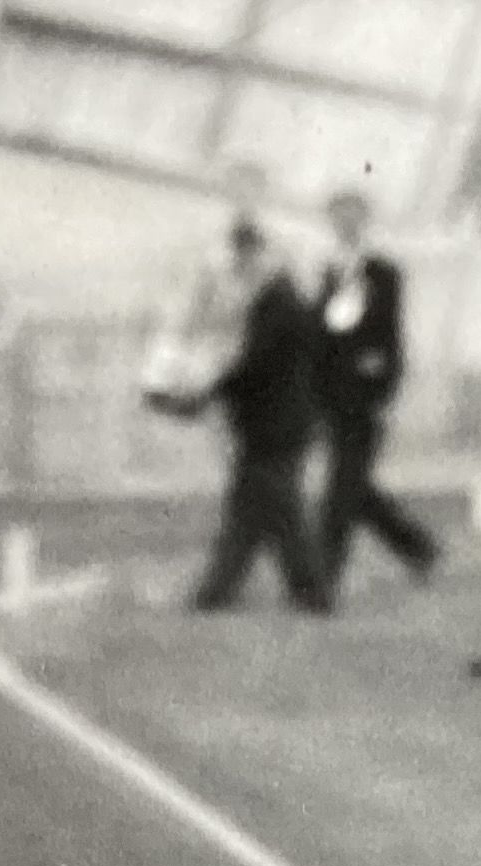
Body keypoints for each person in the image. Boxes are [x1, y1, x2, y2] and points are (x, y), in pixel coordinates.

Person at [184, 218, 332, 615]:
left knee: (277, 514)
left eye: (248, 255)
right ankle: (217, 593)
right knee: (249, 514)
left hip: (277, 429)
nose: (241, 264)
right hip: (272, 428)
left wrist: (208, 392)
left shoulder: (279, 305)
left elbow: (256, 367)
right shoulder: (275, 302)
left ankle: (310, 592)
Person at [311, 190, 439, 590]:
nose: (344, 224)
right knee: (353, 486)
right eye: (337, 217)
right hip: (332, 396)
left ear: (363, 221)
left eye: (351, 216)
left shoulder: (383, 273)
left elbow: (391, 338)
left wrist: (386, 393)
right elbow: (319, 338)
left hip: (366, 395)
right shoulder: (326, 274)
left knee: (342, 485)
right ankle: (416, 546)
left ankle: (324, 571)